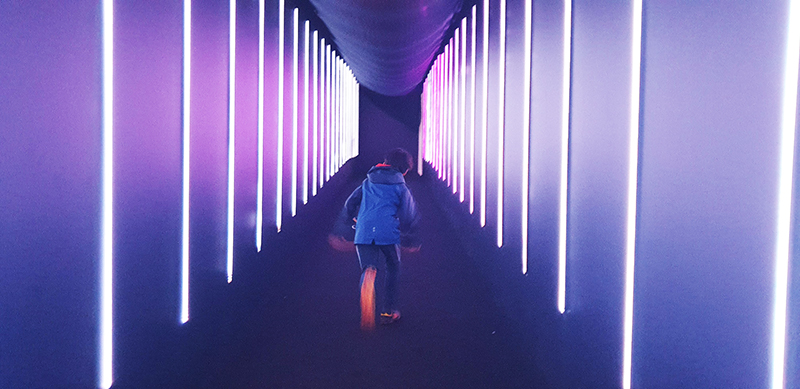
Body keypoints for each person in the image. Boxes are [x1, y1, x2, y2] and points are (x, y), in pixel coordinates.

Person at [335, 148, 420, 330]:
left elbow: (350, 203)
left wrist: (349, 223)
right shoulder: (401, 187)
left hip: (364, 231)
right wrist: (409, 238)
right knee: (393, 266)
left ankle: (368, 276)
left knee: (369, 266)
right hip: (388, 232)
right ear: (404, 170)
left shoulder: (367, 182)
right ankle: (388, 312)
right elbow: (408, 214)